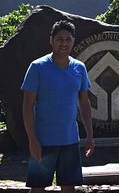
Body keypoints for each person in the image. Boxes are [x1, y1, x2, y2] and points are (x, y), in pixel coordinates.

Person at [21, 20, 95, 193]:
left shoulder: (79, 68)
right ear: (51, 40)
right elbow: (27, 107)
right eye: (60, 39)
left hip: (70, 140)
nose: (64, 43)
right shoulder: (37, 67)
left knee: (69, 187)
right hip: (43, 140)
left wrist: (90, 135)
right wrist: (32, 140)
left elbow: (84, 103)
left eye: (68, 39)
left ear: (73, 41)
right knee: (38, 187)